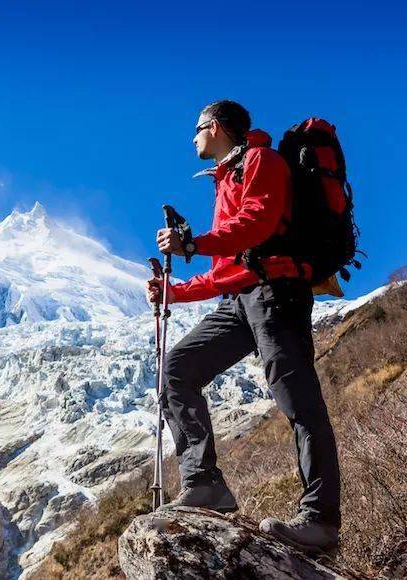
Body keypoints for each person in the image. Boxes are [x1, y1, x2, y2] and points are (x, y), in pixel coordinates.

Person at [146, 100, 341, 553]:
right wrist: (172, 290)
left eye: (197, 129)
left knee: (299, 402)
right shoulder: (226, 178)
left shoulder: (261, 161)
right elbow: (224, 270)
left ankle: (321, 520)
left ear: (215, 127)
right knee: (178, 368)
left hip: (277, 292)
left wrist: (193, 242)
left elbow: (258, 222)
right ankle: (204, 483)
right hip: (241, 299)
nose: (193, 138)